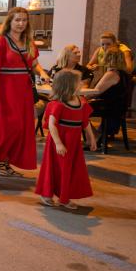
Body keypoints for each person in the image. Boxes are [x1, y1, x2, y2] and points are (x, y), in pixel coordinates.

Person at [0, 7, 50, 176]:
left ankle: (6, 161)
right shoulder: (1, 42)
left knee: (20, 127)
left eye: (24, 20)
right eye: (17, 20)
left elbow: (34, 64)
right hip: (5, 89)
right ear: (10, 22)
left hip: (24, 90)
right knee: (5, 126)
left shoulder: (29, 41)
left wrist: (42, 73)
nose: (21, 23)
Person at [35, 69, 96, 210]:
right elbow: (51, 124)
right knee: (57, 168)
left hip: (74, 143)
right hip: (60, 142)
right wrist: (58, 143)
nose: (81, 83)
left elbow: (85, 122)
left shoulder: (82, 102)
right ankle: (49, 194)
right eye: (78, 82)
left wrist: (91, 139)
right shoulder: (58, 104)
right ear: (69, 85)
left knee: (71, 169)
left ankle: (64, 196)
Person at [86, 47, 130, 142]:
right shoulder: (123, 73)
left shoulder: (111, 73)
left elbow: (95, 92)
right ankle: (94, 136)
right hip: (118, 107)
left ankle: (95, 137)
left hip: (109, 108)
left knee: (76, 109)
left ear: (107, 58)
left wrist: (82, 96)